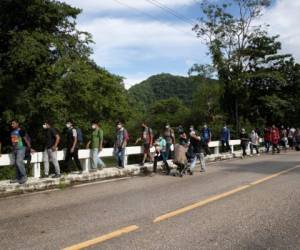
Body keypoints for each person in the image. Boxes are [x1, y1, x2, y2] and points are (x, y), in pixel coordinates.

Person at [10, 120, 30, 184]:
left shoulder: (21, 130)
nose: (12, 125)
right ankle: (18, 177)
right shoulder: (12, 132)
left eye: (13, 123)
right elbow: (13, 141)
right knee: (16, 164)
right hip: (15, 149)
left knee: (19, 162)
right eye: (11, 124)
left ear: (17, 124)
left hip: (21, 148)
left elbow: (26, 139)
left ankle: (24, 176)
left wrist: (29, 147)